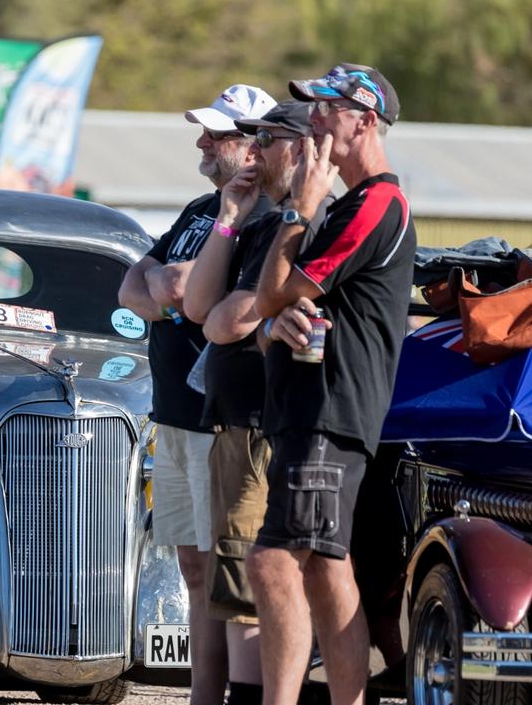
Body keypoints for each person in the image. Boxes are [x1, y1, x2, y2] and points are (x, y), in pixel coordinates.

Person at [248, 64, 415, 705]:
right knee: (324, 565)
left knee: (272, 561)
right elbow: (274, 314)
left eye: (328, 107)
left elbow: (272, 293)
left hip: (330, 412)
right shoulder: (348, 204)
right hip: (310, 410)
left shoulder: (375, 203)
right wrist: (276, 319)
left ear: (365, 121)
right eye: (312, 106)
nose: (315, 117)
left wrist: (296, 211)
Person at [118, 82, 275, 705]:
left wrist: (166, 287)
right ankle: (201, 695)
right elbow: (133, 286)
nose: (203, 142)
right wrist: (159, 281)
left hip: (223, 421)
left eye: (220, 134)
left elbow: (190, 294)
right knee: (194, 570)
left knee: (232, 577)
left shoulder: (262, 219)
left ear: (256, 147)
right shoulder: (196, 211)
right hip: (176, 415)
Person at [182, 100, 329, 705]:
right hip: (232, 420)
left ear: (296, 146)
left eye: (265, 139)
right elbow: (197, 308)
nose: (254, 150)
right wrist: (228, 216)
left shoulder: (291, 223)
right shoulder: (257, 220)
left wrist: (249, 315)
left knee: (252, 580)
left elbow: (220, 323)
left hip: (259, 422)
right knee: (234, 577)